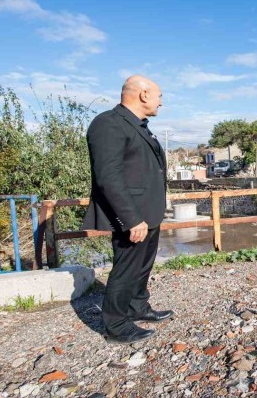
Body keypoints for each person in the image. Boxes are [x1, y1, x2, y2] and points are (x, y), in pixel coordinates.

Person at [82, 75, 173, 344]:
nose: (161, 103)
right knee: (126, 269)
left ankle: (137, 307)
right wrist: (131, 218)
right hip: (132, 215)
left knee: (142, 266)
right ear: (144, 95)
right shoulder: (108, 123)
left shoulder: (139, 126)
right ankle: (117, 326)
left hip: (149, 211)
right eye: (159, 96)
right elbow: (108, 176)